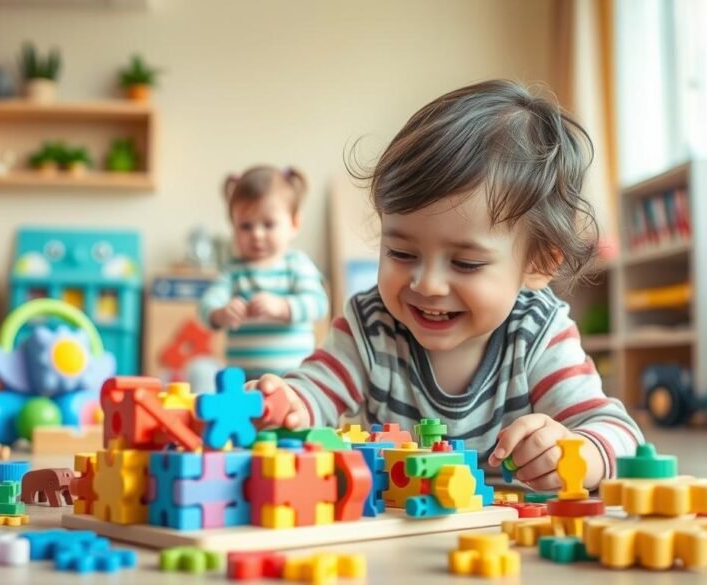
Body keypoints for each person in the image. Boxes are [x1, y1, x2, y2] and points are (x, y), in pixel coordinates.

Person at [251, 80, 643, 491]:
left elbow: (620, 435)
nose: (428, 284)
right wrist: (287, 402)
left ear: (539, 262)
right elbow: (315, 391)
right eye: (401, 253)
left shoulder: (538, 333)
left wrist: (575, 453)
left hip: (504, 528)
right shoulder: (370, 325)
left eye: (465, 263)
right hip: (398, 525)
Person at [199, 165, 329, 379]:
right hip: (242, 380)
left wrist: (283, 307)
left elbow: (319, 305)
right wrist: (220, 314)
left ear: (294, 224)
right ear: (232, 225)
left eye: (268, 225)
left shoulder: (297, 265)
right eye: (245, 226)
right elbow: (206, 305)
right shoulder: (233, 271)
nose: (257, 234)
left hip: (293, 378)